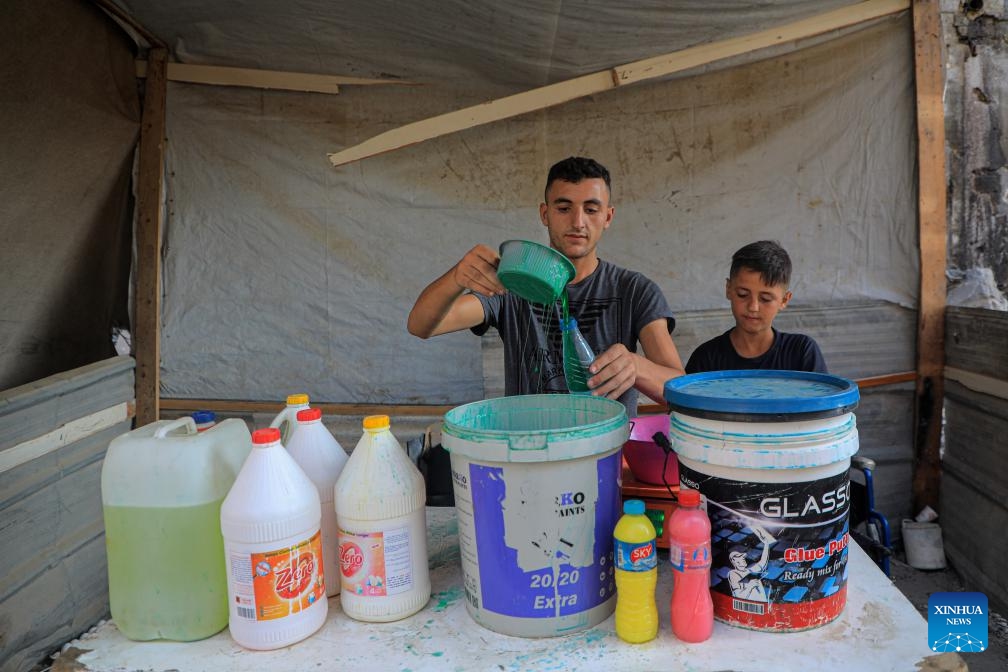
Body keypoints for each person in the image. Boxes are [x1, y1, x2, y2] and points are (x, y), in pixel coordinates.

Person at [407, 156, 684, 414]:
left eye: (591, 209)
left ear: (608, 217)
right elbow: (420, 326)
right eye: (564, 208)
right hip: (530, 450)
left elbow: (680, 391)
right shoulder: (514, 284)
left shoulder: (634, 290)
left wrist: (636, 366)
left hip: (605, 454)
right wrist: (457, 277)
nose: (578, 222)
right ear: (544, 213)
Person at [685, 240, 828, 374]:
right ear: (728, 289)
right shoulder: (706, 358)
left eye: (765, 299)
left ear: (784, 300)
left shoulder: (801, 352)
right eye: (742, 294)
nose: (753, 307)